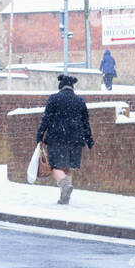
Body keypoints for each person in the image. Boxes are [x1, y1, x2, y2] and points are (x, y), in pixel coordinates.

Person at [36, 75, 94, 205]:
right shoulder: (80, 101)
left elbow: (46, 119)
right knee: (67, 168)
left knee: (55, 167)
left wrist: (39, 135)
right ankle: (64, 198)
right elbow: (86, 123)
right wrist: (89, 139)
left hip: (57, 138)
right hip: (76, 140)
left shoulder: (54, 99)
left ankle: (65, 186)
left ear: (60, 86)